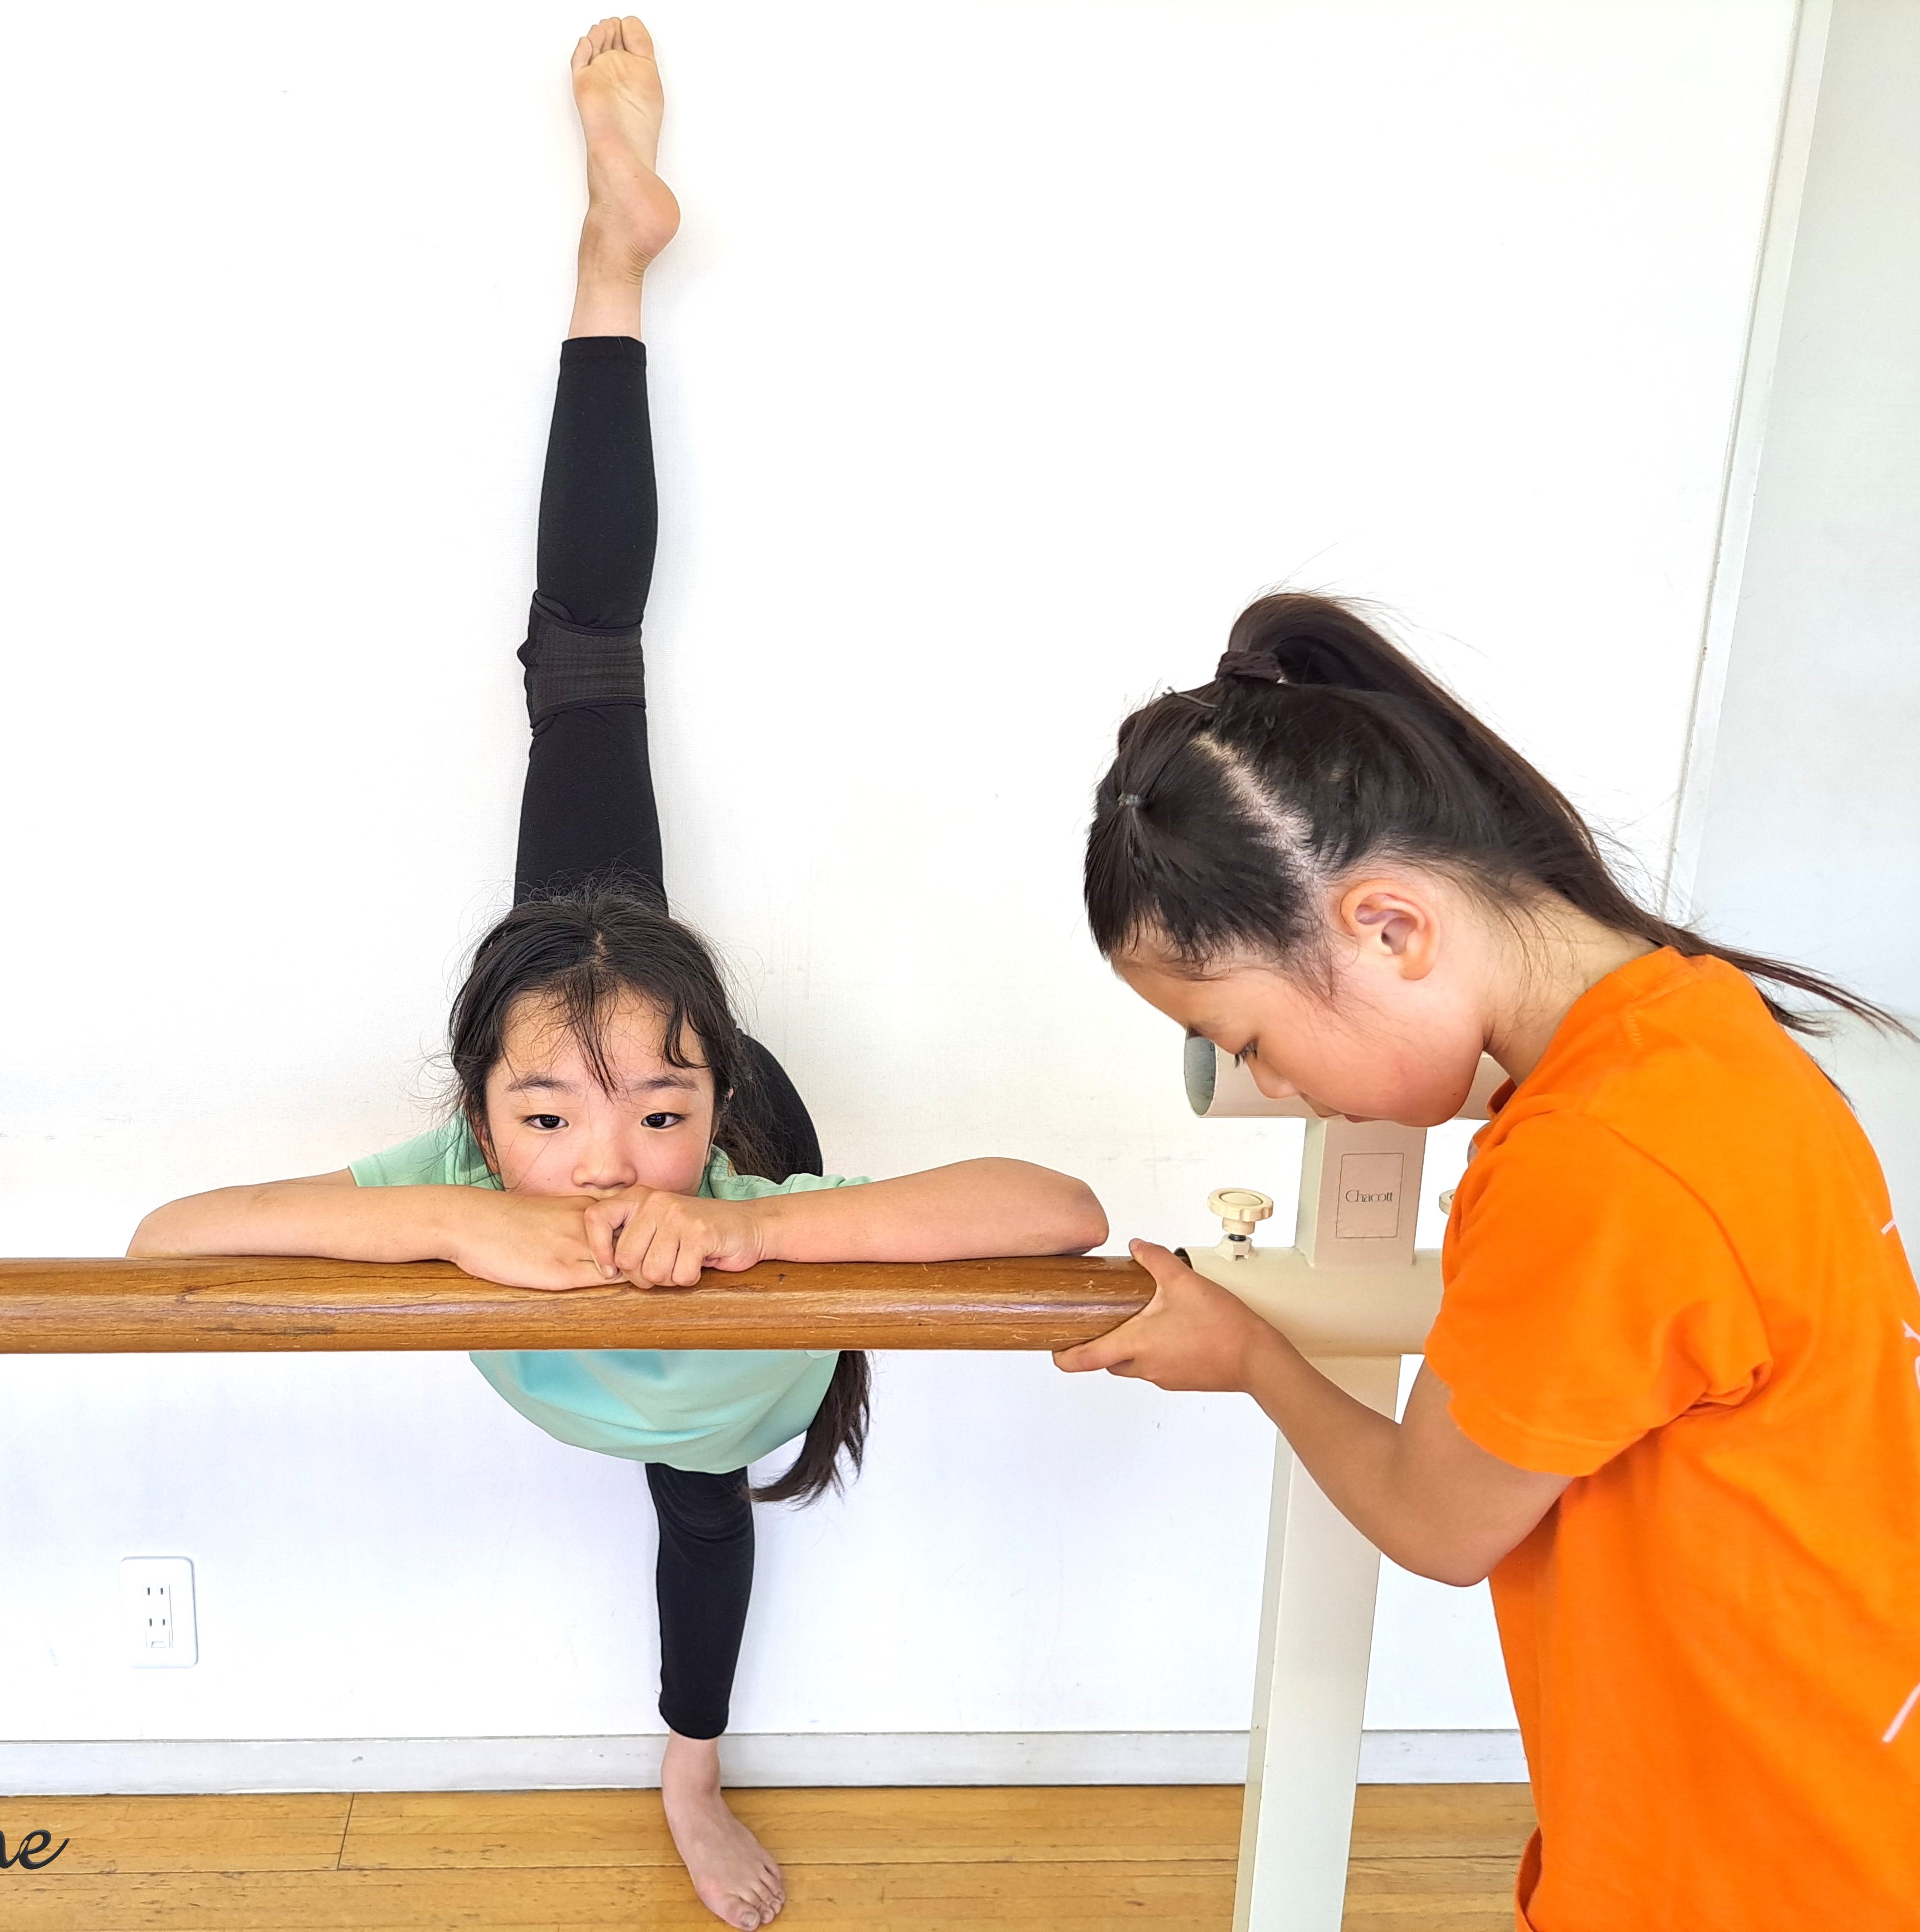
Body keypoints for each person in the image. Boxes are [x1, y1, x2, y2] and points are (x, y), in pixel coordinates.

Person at [129, 21, 1106, 1930]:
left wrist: (743, 1228)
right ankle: (611, 261)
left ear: (710, 1105)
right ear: (476, 1112)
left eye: (655, 1110)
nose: (605, 1159)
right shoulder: (478, 1157)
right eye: (551, 1119)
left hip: (736, 1301)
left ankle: (689, 1774)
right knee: (581, 694)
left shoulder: (725, 1175)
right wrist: (462, 1226)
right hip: (575, 1044)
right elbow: (168, 1242)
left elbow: (1059, 1212)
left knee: (698, 1500)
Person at [1056, 593, 1920, 1930]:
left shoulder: (1599, 1161)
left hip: (1758, 1857)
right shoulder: (1702, 1038)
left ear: (1390, 928)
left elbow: (1439, 1522)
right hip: (1839, 1772)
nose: (1265, 1083)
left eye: (1247, 1041)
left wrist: (1247, 1355)